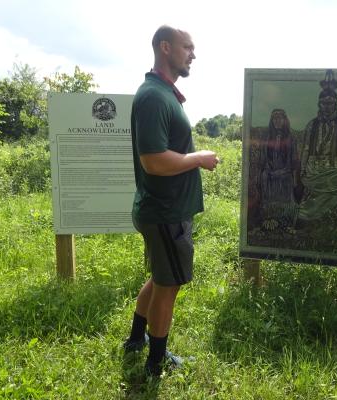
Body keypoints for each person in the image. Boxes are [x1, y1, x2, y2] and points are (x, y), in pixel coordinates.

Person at [123, 25, 219, 379]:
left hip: (164, 210)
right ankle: (155, 362)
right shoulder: (153, 97)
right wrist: (199, 158)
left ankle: (136, 340)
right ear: (165, 48)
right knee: (169, 284)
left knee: (161, 277)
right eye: (187, 47)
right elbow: (154, 161)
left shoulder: (162, 93)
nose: (192, 54)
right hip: (165, 212)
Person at [296, 69, 337, 226]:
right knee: (306, 193)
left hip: (335, 171)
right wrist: (303, 169)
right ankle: (305, 224)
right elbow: (305, 148)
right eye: (324, 103)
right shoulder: (312, 124)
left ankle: (332, 226)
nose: (327, 106)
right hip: (313, 171)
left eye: (330, 103)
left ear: (336, 104)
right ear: (319, 104)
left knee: (336, 191)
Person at [259, 108, 298, 231]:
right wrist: (269, 169)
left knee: (286, 196)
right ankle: (270, 221)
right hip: (270, 172)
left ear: (284, 120)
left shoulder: (291, 137)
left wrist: (283, 171)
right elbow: (263, 157)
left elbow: (293, 160)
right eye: (274, 118)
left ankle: (286, 223)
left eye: (280, 118)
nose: (277, 121)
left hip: (285, 172)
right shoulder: (267, 137)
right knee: (265, 178)